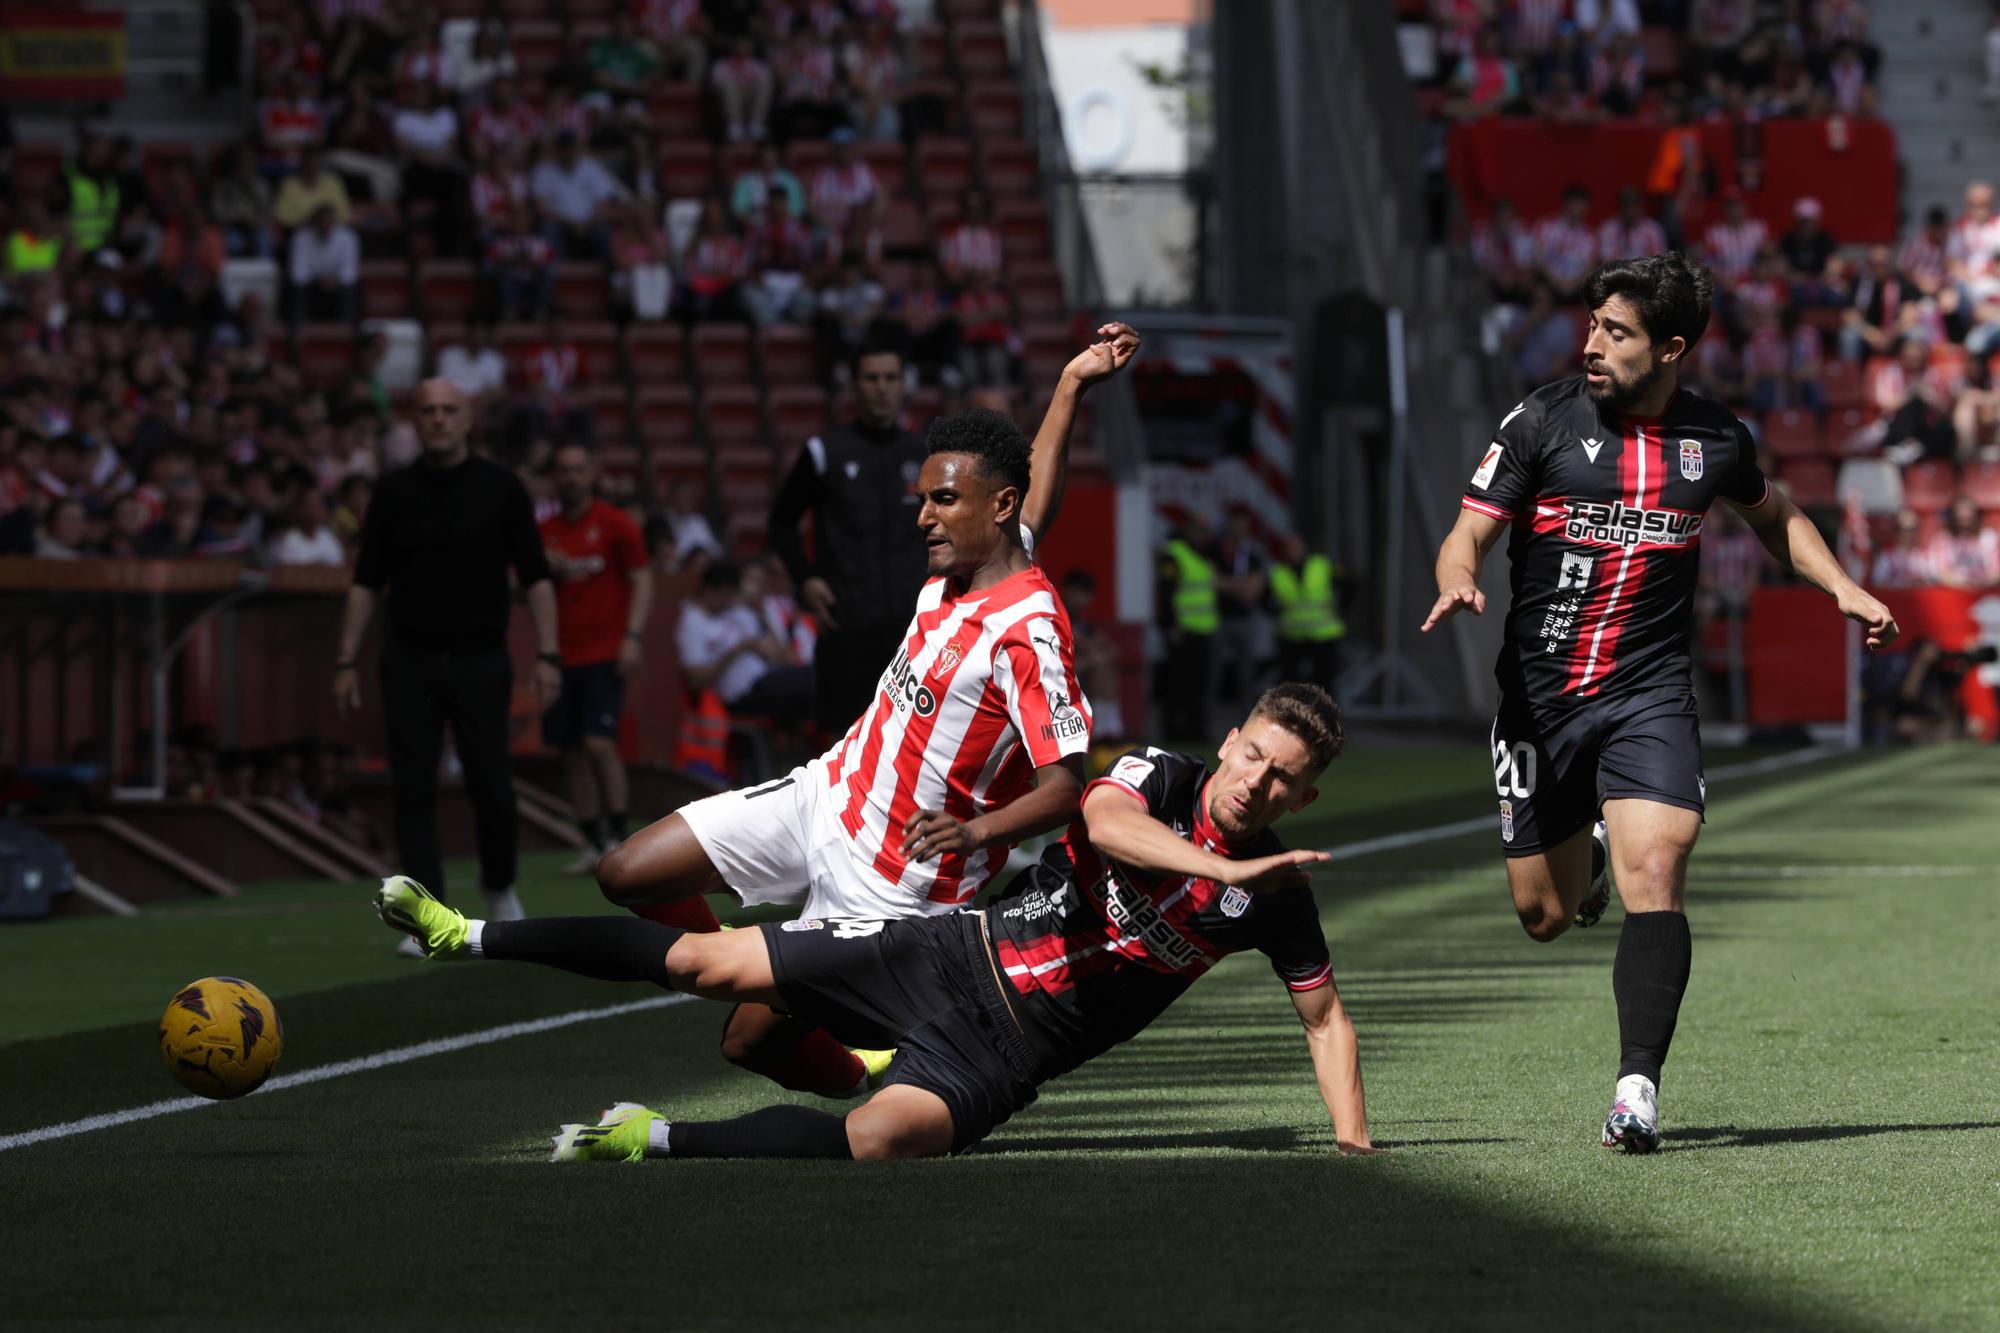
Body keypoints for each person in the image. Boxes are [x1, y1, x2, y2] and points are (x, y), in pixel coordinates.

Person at [374, 682, 1375, 1162]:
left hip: (1011, 1054)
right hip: (945, 956)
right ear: (1231, 736)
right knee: (709, 967)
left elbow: (1324, 1019)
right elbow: (1105, 826)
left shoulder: (1277, 895)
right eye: (1252, 753)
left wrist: (1352, 1149)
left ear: (1305, 798)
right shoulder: (1159, 774)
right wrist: (1215, 859)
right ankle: (464, 932)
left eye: (1284, 776)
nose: (1258, 779)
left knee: (879, 1140)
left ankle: (652, 1136)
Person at [1422, 252, 1898, 1153]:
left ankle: (1635, 1093)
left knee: (1662, 871)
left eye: (1617, 332)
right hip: (1540, 702)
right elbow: (1470, 531)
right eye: (1594, 323)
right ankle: (1583, 861)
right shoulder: (1542, 418)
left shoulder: (1715, 440)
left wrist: (1841, 585)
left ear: (1672, 347)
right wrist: (1457, 579)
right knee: (1545, 916)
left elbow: (1775, 514)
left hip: (1648, 695)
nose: (1592, 343)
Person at [588, 327, 1138, 1104]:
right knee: (626, 871)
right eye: (923, 500)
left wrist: (977, 832)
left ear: (994, 507)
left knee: (746, 1041)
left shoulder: (1029, 634)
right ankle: (747, 963)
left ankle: (859, 1066)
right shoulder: (975, 557)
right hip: (826, 799)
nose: (924, 518)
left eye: (943, 501)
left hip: (899, 882)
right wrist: (1073, 383)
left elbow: (1064, 786)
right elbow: (1031, 480)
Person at [334, 379, 563, 951]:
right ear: (414, 421)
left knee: (491, 783)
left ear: (467, 421)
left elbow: (536, 577)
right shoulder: (391, 492)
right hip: (407, 659)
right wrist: (344, 659)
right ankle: (424, 915)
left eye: (449, 410)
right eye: (428, 410)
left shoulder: (501, 488)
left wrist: (549, 652)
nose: (437, 419)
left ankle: (501, 887)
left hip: (481, 659)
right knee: (412, 789)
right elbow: (365, 582)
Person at [767, 340, 927, 735]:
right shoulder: (824, 452)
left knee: (913, 743)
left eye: (891, 378)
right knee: (843, 743)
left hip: (914, 630)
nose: (882, 387)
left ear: (903, 385)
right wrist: (805, 579)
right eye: (872, 378)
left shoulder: (924, 453)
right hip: (846, 629)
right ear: (854, 386)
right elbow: (780, 522)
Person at [541, 443, 656, 873]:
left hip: (604, 652)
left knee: (598, 743)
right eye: (563, 470)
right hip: (559, 656)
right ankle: (591, 842)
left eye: (578, 468)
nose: (571, 477)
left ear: (591, 474)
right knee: (571, 752)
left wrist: (633, 636)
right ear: (554, 478)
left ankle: (620, 839)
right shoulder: (545, 531)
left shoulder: (615, 524)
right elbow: (524, 591)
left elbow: (642, 580)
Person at [674, 558, 814, 726]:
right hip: (743, 693)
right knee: (815, 680)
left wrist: (759, 615)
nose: (731, 600)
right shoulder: (692, 622)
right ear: (713, 591)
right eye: (728, 595)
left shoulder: (729, 613)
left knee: (821, 677)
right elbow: (696, 678)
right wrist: (737, 650)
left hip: (767, 677)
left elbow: (778, 650)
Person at [1156, 513, 1219, 739]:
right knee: (1177, 684)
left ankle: (1196, 731)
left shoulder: (1205, 554)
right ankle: (1173, 731)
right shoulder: (1174, 555)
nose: (1204, 536)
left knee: (1199, 684)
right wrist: (1170, 625)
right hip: (1182, 630)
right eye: (1199, 531)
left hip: (1204, 628)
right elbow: (1165, 592)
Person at [1269, 533, 1346, 694]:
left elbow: (1348, 583)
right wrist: (1275, 613)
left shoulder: (1321, 565)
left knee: (1325, 682)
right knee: (1290, 684)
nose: (1293, 551)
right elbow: (1265, 598)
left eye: (1296, 547)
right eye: (1289, 547)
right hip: (1292, 636)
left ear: (1304, 547)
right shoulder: (1278, 572)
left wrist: (1342, 608)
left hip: (1323, 633)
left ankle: (1325, 718)